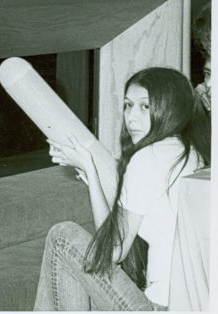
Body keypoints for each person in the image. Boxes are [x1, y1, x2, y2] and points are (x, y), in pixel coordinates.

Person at [34, 67, 210, 310]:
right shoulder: (188, 152)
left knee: (62, 237)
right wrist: (91, 175)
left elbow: (113, 252)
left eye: (144, 106)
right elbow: (137, 210)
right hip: (187, 304)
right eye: (128, 105)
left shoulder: (148, 158)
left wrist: (91, 169)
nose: (131, 117)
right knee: (78, 281)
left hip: (158, 307)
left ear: (169, 107)